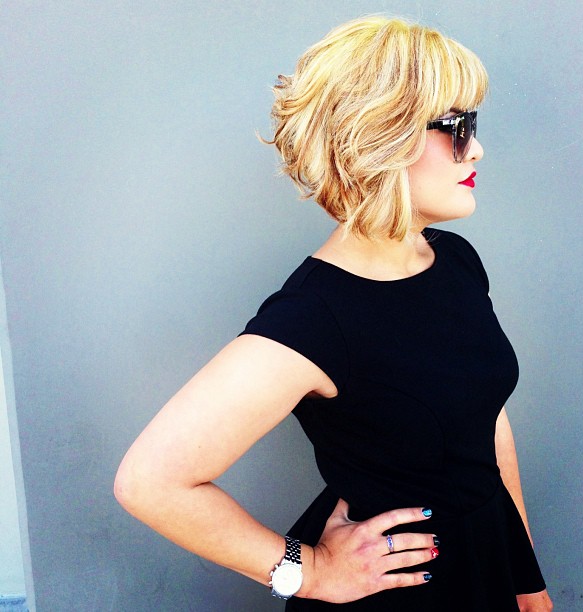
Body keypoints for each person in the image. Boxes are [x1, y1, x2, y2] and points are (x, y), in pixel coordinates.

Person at [114, 15, 553, 611]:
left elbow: (485, 420)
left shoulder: (455, 261)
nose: (475, 148)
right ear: (381, 138)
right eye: (456, 127)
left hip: (486, 568)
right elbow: (150, 482)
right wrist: (312, 572)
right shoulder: (313, 318)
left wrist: (526, 580)